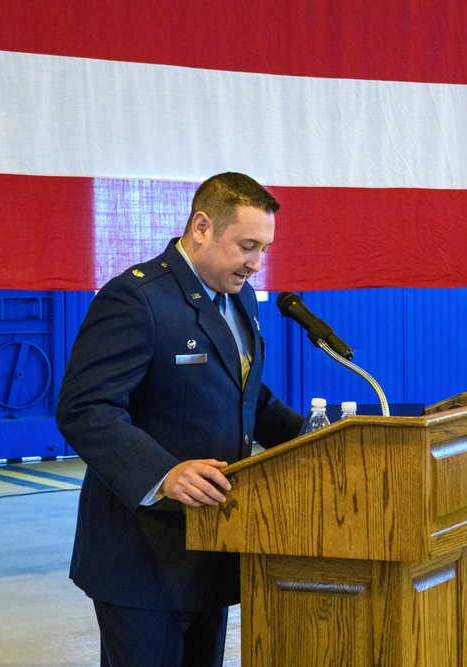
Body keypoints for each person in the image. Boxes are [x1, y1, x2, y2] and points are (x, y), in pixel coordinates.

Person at [56, 172, 304, 666]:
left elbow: (246, 396)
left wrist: (321, 438)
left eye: (264, 249)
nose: (256, 264)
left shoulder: (238, 299)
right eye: (246, 246)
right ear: (202, 227)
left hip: (211, 544)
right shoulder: (138, 298)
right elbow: (85, 408)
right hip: (142, 555)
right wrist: (163, 473)